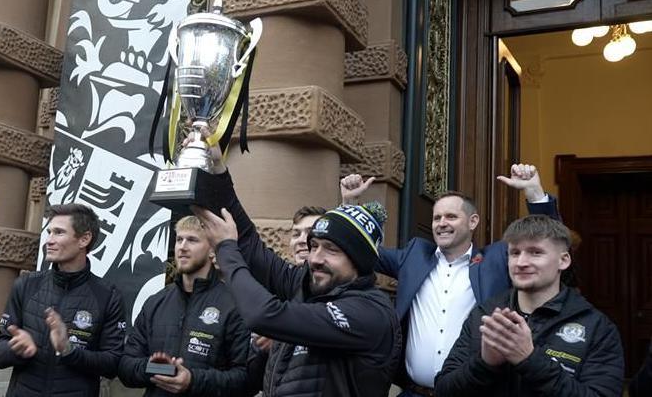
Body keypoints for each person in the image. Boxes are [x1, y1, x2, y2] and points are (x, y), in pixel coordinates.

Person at [340, 163, 559, 396]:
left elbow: (547, 240)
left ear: (472, 222)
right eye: (437, 218)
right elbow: (358, 250)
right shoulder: (413, 257)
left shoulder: (496, 260)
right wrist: (349, 206)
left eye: (451, 216)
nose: (441, 223)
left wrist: (534, 192)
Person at [191, 161, 401, 397]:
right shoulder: (309, 284)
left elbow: (263, 315)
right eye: (314, 246)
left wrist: (226, 248)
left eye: (331, 249)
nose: (315, 259)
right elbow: (250, 242)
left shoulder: (369, 311)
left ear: (359, 259)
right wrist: (217, 169)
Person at [434, 214, 624, 396]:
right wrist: (485, 364)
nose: (521, 262)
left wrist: (530, 360)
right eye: (514, 253)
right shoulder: (486, 315)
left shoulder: (597, 327)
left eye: (536, 252)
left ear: (563, 260)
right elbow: (444, 389)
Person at [0, 203, 126, 396]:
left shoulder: (108, 296)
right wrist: (16, 349)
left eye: (59, 232)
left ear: (84, 239)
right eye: (49, 232)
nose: (49, 240)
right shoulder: (26, 285)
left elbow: (112, 364)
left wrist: (68, 350)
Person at [118, 215, 250, 396]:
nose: (182, 247)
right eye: (179, 239)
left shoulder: (233, 305)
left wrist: (192, 380)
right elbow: (126, 366)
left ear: (212, 250)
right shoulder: (156, 302)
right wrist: (154, 368)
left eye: (192, 240)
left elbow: (244, 378)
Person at [247, 205, 326, 395]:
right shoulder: (273, 291)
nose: (300, 240)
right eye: (296, 234)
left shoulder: (334, 294)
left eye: (309, 233)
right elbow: (249, 380)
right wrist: (260, 349)